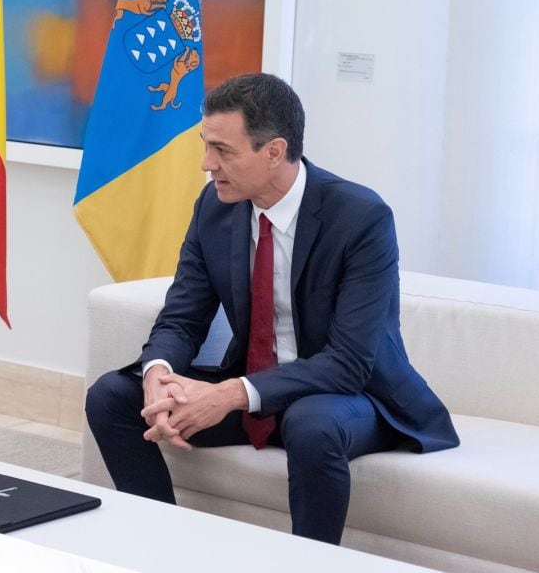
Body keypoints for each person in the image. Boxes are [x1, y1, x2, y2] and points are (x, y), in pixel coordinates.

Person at [85, 73, 459, 544]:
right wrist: (158, 371)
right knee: (113, 395)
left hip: (353, 397)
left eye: (222, 150)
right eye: (206, 146)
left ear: (274, 151)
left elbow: (348, 364)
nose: (206, 164)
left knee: (312, 423)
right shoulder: (215, 207)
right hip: (256, 387)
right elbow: (183, 315)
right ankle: (161, 549)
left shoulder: (360, 218)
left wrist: (225, 396)